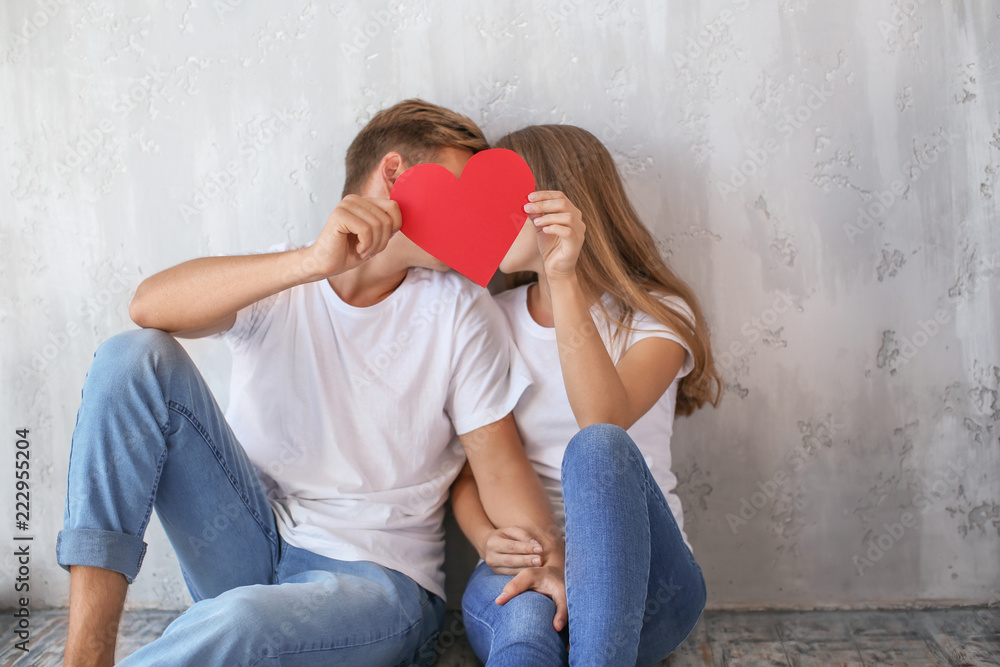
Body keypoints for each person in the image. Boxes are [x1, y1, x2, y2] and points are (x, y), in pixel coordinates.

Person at [57, 99, 565, 667]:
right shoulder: (287, 275)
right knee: (133, 356)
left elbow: (498, 465)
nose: (473, 218)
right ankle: (86, 655)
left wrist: (545, 557)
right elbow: (147, 306)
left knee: (240, 622)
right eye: (459, 191)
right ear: (394, 176)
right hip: (248, 547)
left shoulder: (460, 311)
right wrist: (312, 264)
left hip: (377, 582)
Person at [452, 124, 723, 666]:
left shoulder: (657, 317)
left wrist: (564, 277)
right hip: (530, 560)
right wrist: (488, 540)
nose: (482, 218)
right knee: (526, 632)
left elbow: (602, 420)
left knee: (596, 447)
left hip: (646, 581)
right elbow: (466, 474)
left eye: (498, 200)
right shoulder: (487, 322)